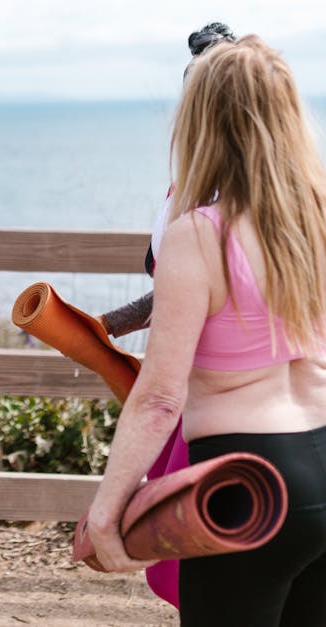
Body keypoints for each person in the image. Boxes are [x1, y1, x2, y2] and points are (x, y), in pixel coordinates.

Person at [85, 35, 326, 626]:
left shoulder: (199, 235)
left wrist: (106, 512)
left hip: (248, 484)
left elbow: (161, 397)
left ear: (202, 121)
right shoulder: (319, 217)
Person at [94, 22, 236, 609]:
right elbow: (172, 295)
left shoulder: (218, 199)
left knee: (200, 560)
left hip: (208, 396)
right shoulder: (187, 187)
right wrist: (99, 327)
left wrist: (108, 325)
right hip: (191, 388)